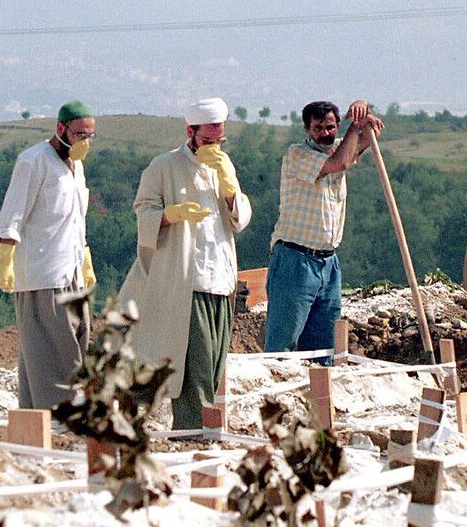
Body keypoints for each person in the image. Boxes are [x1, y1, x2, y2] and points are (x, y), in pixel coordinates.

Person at [118, 98, 252, 429]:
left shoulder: (223, 165)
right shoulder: (164, 166)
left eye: (218, 140)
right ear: (191, 132)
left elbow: (239, 220)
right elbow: (143, 212)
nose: (213, 146)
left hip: (220, 275)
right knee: (197, 361)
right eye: (207, 141)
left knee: (215, 359)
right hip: (186, 279)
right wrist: (170, 215)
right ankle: (193, 429)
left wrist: (230, 189)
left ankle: (203, 426)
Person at [0, 100, 97, 409]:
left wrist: (86, 261)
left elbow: (77, 219)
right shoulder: (33, 161)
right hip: (42, 274)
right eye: (80, 135)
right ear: (61, 129)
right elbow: (13, 214)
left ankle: (38, 415)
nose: (84, 142)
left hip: (72, 273)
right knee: (50, 352)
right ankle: (57, 417)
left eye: (90, 136)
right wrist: (5, 260)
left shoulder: (77, 168)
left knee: (74, 343)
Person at [264, 99, 383, 360]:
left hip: (328, 262)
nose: (325, 133)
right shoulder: (297, 155)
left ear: (337, 125)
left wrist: (365, 117)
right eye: (318, 128)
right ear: (307, 129)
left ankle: (316, 396)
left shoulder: (340, 148)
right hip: (295, 260)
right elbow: (339, 163)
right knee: (282, 345)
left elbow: (365, 140)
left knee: (323, 345)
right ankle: (273, 398)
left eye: (330, 127)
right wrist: (354, 128)